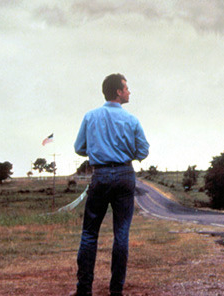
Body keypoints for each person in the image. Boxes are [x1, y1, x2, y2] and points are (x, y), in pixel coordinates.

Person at [71, 73, 149, 296]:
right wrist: (125, 153)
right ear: (117, 91)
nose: (129, 91)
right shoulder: (132, 120)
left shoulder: (90, 116)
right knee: (121, 234)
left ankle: (84, 289)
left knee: (89, 234)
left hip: (101, 174)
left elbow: (79, 147)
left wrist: (98, 150)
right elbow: (143, 150)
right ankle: (116, 291)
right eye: (126, 88)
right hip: (125, 174)